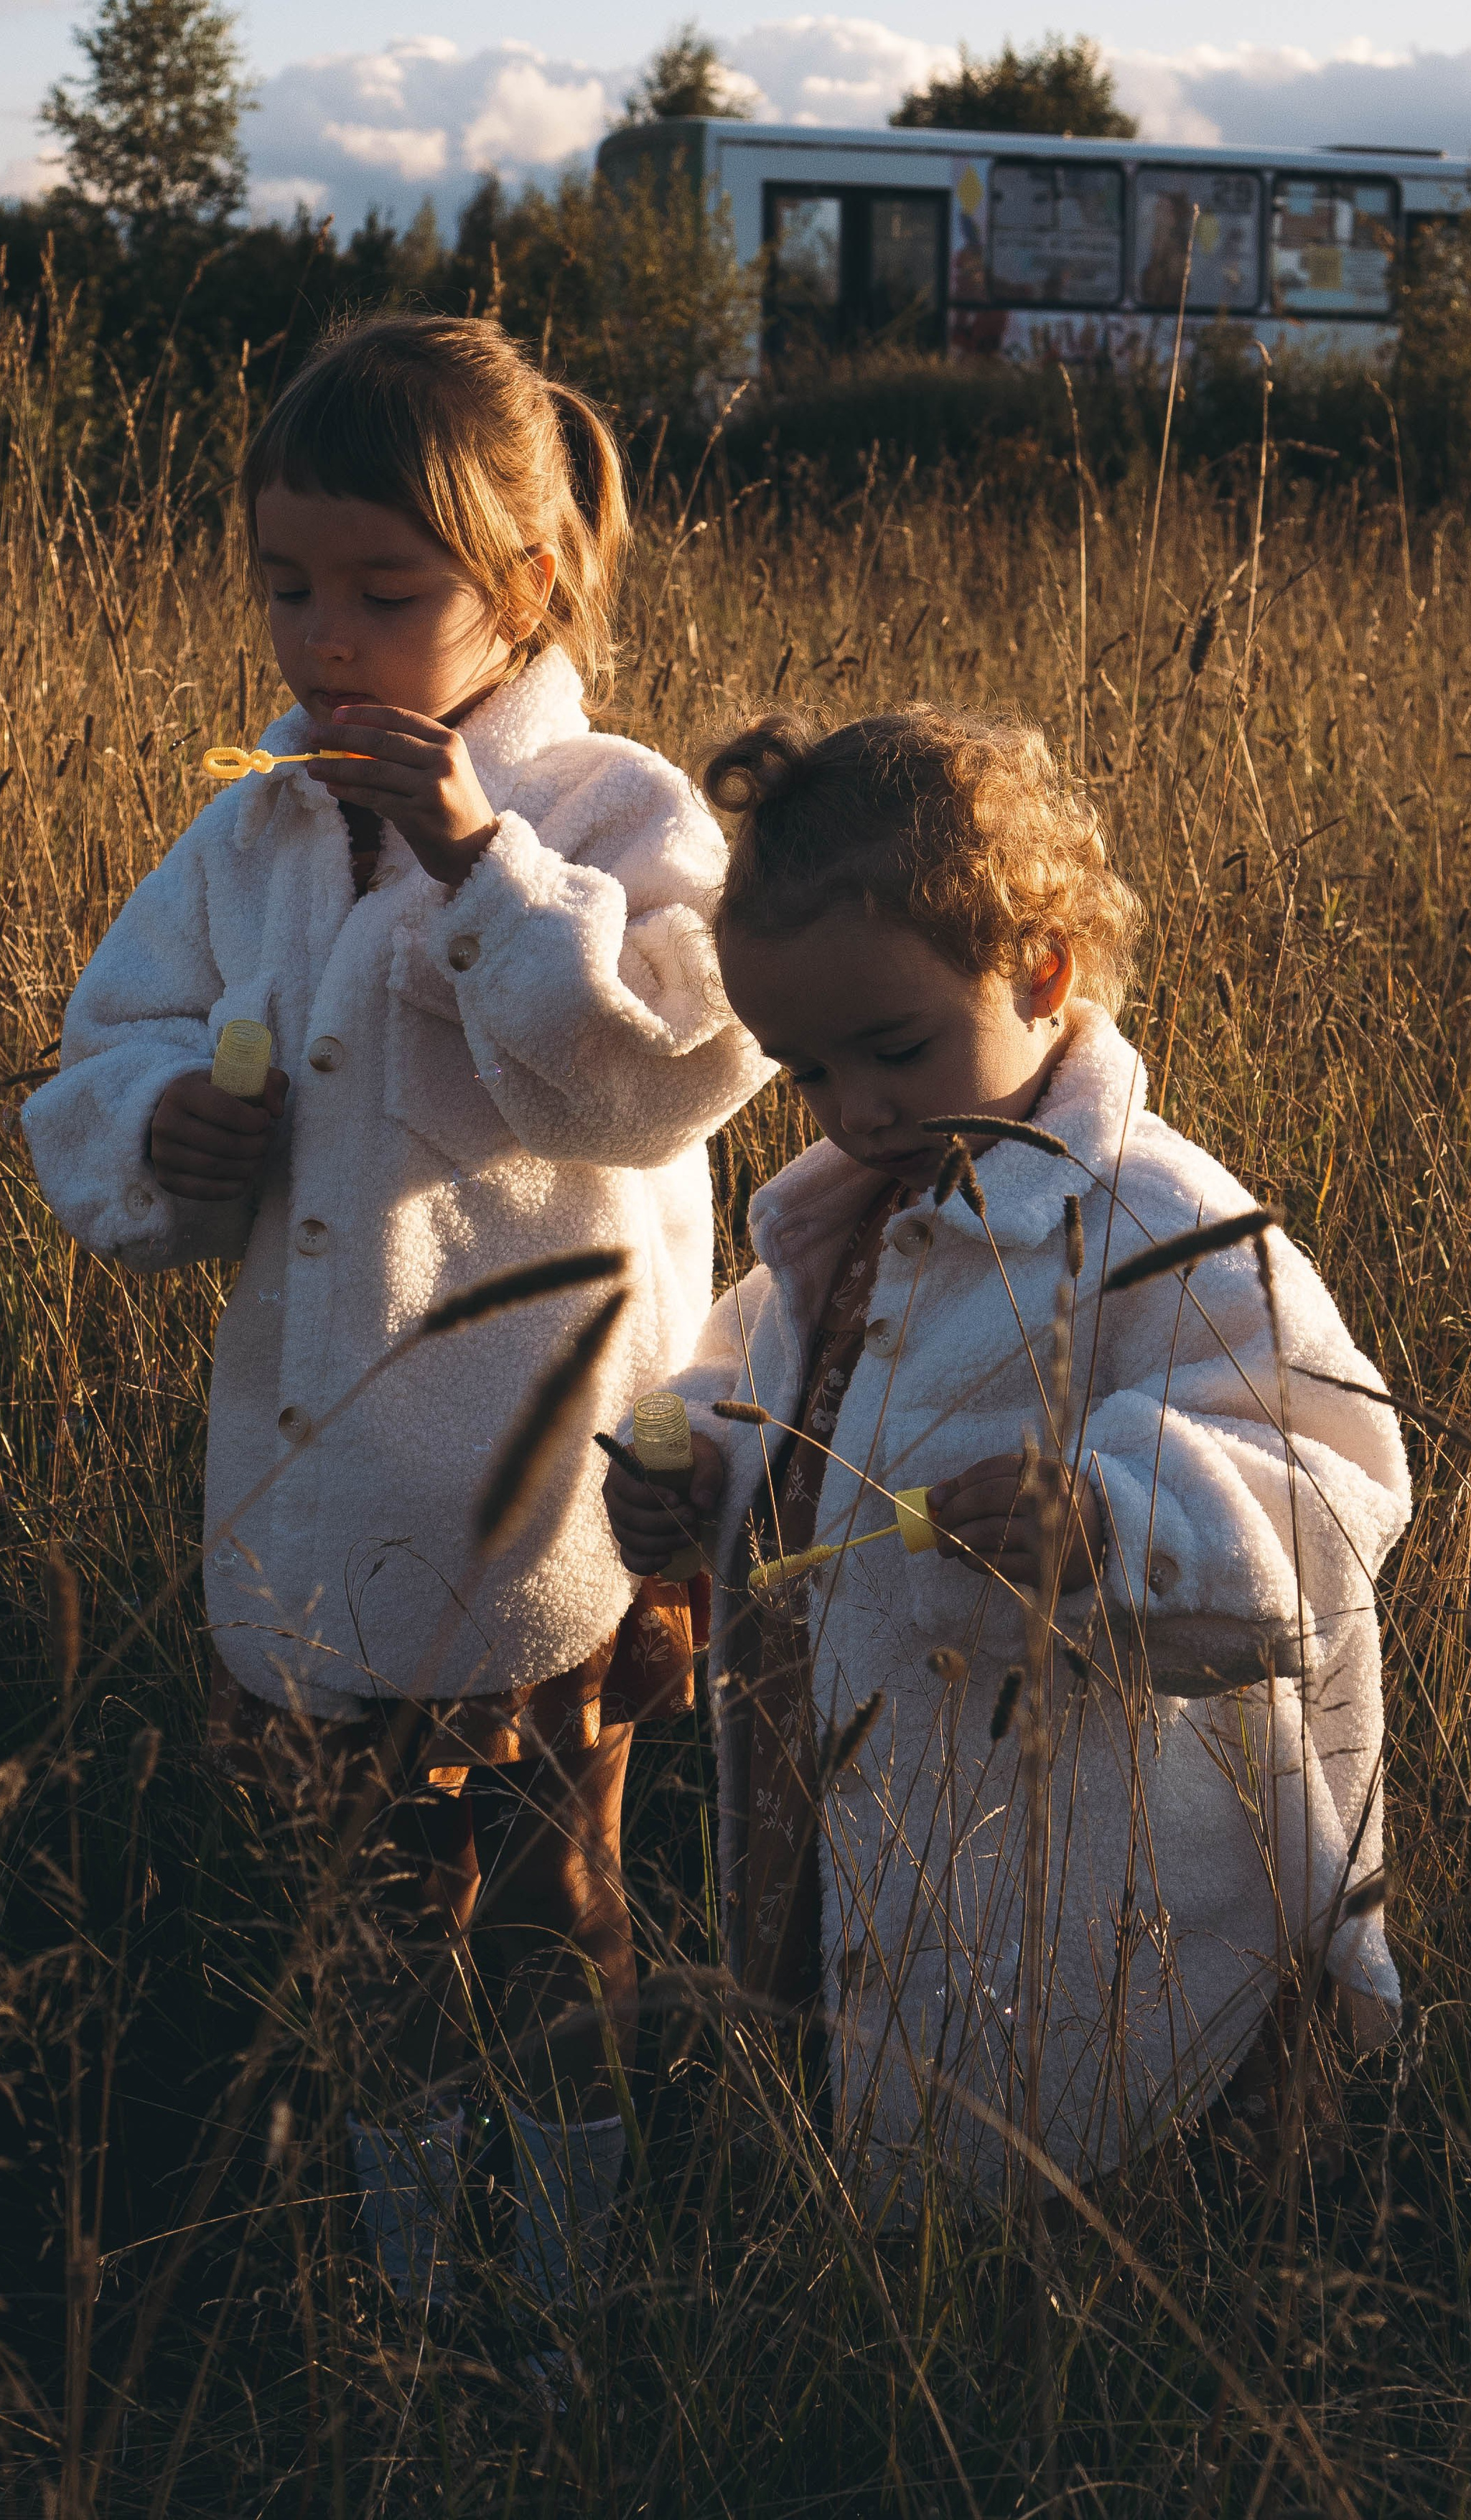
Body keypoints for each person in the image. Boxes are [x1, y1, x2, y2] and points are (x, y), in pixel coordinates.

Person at [22, 314, 766, 2314]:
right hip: (305, 1477)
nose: (323, 637)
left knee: (543, 1895)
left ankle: (571, 2288)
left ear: (523, 587)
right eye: (285, 586)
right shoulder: (255, 820)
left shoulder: (617, 817)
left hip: (537, 1500)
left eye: (385, 589)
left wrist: (477, 857)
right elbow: (108, 1041)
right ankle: (416, 2275)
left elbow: (661, 1071)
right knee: (358, 1919)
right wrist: (153, 1127)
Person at [603, 708, 1410, 2209]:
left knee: (1068, 2156)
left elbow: (1334, 1474)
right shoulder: (838, 1207)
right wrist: (692, 1466)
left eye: (895, 1049)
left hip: (1077, 1866)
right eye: (808, 1072)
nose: (859, 1110)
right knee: (861, 2092)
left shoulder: (1156, 1222)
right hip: (831, 1793)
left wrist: (1114, 1517)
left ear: (1040, 969)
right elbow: (756, 1375)